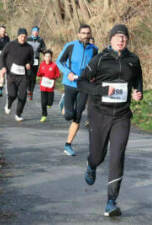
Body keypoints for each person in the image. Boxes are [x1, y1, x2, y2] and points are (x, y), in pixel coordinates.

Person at [78, 24, 143, 217]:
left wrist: (139, 93)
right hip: (99, 113)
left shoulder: (133, 60)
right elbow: (81, 82)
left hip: (122, 115)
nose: (121, 40)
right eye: (117, 37)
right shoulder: (99, 59)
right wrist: (101, 91)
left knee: (117, 156)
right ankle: (91, 164)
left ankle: (111, 201)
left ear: (127, 40)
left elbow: (138, 79)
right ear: (111, 39)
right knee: (98, 155)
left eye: (124, 37)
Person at [56, 24, 98, 156]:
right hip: (70, 83)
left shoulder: (95, 50)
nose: (86, 35)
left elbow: (96, 67)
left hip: (84, 85)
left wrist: (94, 79)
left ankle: (68, 145)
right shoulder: (71, 46)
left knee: (78, 115)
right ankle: (64, 103)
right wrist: (67, 72)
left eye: (88, 33)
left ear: (90, 35)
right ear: (79, 34)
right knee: (69, 115)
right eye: (83, 33)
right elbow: (59, 61)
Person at [0, 28, 34, 122]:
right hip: (11, 75)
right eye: (21, 36)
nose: (23, 38)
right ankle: (9, 104)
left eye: (24, 37)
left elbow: (32, 59)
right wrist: (3, 67)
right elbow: (2, 55)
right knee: (12, 94)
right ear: (18, 36)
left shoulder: (29, 48)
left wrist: (29, 64)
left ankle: (18, 114)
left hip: (23, 76)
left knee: (23, 96)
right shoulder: (10, 45)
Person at [37, 50, 60, 122]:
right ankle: (44, 115)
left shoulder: (54, 65)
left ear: (51, 57)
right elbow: (39, 73)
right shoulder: (42, 65)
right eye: (46, 56)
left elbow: (58, 74)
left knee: (50, 101)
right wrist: (40, 74)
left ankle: (50, 103)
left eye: (49, 56)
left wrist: (53, 77)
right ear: (44, 57)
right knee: (43, 102)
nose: (47, 58)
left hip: (50, 87)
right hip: (43, 86)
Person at [27, 26, 46, 100]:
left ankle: (31, 92)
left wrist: (44, 52)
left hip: (36, 60)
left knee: (33, 77)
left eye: (37, 31)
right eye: (34, 31)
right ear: (32, 32)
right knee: (28, 75)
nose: (36, 32)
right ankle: (28, 90)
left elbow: (44, 49)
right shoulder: (28, 39)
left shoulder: (40, 40)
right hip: (28, 60)